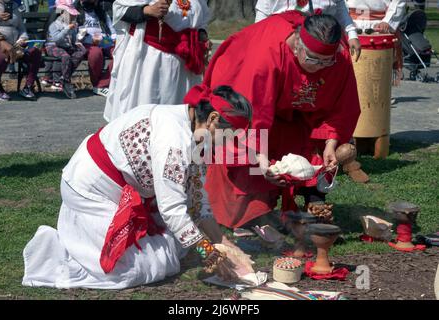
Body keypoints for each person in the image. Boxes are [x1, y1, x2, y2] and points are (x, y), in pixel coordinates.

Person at [22, 85, 254, 289]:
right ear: (213, 119)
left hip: (119, 187)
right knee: (139, 269)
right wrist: (210, 254)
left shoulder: (194, 129)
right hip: (91, 190)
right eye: (230, 135)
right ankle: (51, 254)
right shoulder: (174, 141)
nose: (229, 142)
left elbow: (197, 198)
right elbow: (173, 210)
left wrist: (223, 243)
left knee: (174, 246)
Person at [195, 11, 361, 229]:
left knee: (310, 134)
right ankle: (249, 211)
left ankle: (313, 194)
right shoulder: (266, 55)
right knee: (244, 156)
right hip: (244, 95)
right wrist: (263, 163)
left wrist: (331, 144)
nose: (319, 67)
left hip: (293, 107)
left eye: (325, 62)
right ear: (297, 43)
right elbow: (254, 115)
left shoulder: (337, 56)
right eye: (312, 59)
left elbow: (342, 105)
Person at [103, 0, 211, 122]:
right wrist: (147, 10)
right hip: (150, 61)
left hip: (183, 68)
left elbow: (201, 21)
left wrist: (201, 36)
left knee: (177, 116)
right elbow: (119, 10)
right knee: (146, 113)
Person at [255, 0, 361, 61]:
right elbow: (263, 11)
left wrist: (352, 33)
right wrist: (259, 38)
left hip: (324, 34)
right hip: (284, 38)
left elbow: (340, 7)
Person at [0, 0, 42, 101]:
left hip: (15, 45)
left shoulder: (14, 6)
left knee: (35, 52)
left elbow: (21, 27)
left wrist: (23, 38)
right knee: (2, 56)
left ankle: (28, 87)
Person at [45, 0, 87, 99]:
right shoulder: (54, 24)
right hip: (52, 46)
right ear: (63, 13)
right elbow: (56, 39)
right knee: (65, 56)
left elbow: (72, 40)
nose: (73, 17)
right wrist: (67, 29)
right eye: (71, 14)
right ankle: (66, 81)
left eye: (73, 15)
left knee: (81, 52)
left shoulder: (72, 24)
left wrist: (77, 41)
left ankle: (64, 77)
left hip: (65, 46)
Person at [74, 0, 116, 97]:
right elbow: (75, 33)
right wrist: (88, 38)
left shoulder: (101, 12)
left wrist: (114, 39)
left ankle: (102, 84)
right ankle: (98, 84)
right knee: (95, 54)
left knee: (119, 54)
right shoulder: (76, 12)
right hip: (87, 42)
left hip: (105, 41)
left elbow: (112, 30)